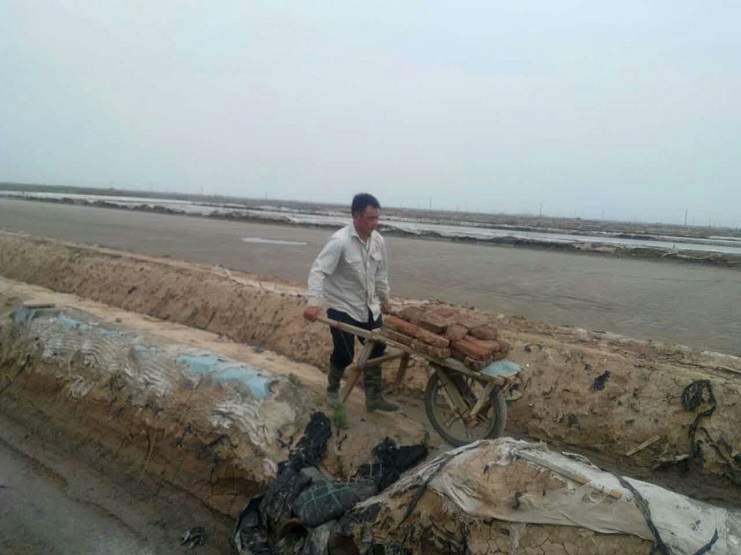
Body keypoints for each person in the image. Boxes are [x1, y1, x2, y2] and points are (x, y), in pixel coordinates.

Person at [304, 193, 399, 412]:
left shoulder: (378, 241)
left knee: (377, 347)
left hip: (368, 306)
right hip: (342, 307)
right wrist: (313, 303)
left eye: (377, 218)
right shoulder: (340, 241)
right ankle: (332, 390)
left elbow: (381, 274)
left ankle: (374, 397)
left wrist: (384, 299)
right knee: (344, 354)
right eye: (370, 218)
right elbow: (318, 270)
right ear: (356, 216)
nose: (375, 223)